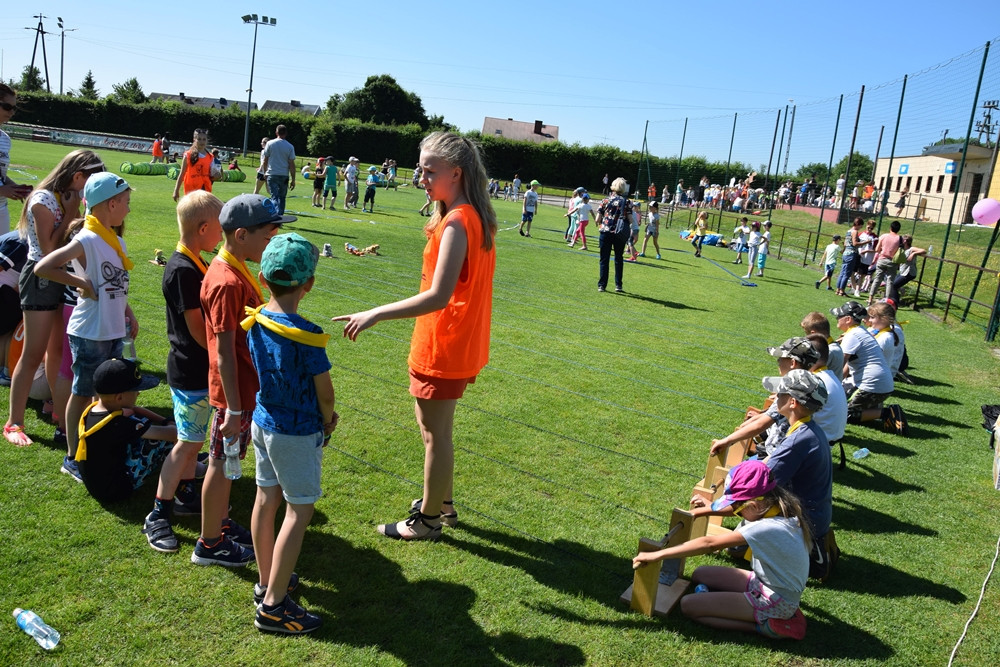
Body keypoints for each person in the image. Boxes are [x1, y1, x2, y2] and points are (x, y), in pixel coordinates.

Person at [334, 131, 497, 541]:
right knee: (437, 432)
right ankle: (443, 504)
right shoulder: (465, 215)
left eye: (429, 171)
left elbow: (438, 295)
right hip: (452, 341)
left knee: (434, 435)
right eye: (420, 170)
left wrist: (375, 313)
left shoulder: (458, 221)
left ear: (456, 173)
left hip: (444, 344)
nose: (420, 178)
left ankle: (427, 520)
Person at [245, 233, 336, 634]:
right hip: (295, 433)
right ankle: (273, 606)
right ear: (309, 284)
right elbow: (325, 393)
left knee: (266, 499)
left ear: (262, 278)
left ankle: (267, 580)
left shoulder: (256, 319)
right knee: (299, 511)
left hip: (262, 422)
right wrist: (328, 418)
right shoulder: (307, 334)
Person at [193, 194, 291, 567]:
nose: (272, 242)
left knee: (228, 460)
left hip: (244, 389)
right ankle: (209, 544)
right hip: (233, 394)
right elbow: (223, 352)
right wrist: (233, 409)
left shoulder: (236, 270)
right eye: (268, 236)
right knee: (221, 462)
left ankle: (219, 524)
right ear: (241, 235)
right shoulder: (225, 281)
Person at [34, 172, 138, 482]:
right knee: (82, 392)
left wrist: (129, 313)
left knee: (105, 394)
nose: (129, 209)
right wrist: (80, 283)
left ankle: (94, 445)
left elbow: (115, 283)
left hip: (111, 328)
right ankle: (72, 457)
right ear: (111, 204)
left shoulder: (116, 240)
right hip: (90, 331)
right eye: (126, 202)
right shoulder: (87, 239)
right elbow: (44, 266)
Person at [633, 459, 810, 640]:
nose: (735, 512)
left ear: (753, 505)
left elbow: (710, 543)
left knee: (689, 606)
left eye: (738, 509)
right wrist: (704, 510)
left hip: (776, 600)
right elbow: (739, 508)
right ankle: (740, 607)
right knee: (700, 573)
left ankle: (767, 627)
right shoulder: (775, 506)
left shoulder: (765, 528)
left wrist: (658, 554)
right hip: (765, 582)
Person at [142, 191, 224, 554]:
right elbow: (196, 328)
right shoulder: (182, 270)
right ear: (203, 229)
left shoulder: (195, 262)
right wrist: (222, 357)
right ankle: (158, 513)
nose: (223, 234)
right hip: (191, 370)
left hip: (198, 369)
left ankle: (187, 492)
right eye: (220, 227)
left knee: (194, 439)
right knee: (187, 442)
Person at [4, 149, 104, 448]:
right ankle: (14, 422)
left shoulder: (69, 196)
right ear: (78, 176)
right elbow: (48, 251)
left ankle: (58, 409)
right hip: (40, 280)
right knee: (33, 353)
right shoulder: (42, 200)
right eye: (91, 180)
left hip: (62, 279)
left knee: (57, 352)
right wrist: (72, 214)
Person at [75, 358, 173, 503]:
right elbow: (173, 435)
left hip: (100, 486)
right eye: (135, 390)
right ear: (119, 397)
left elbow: (133, 409)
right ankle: (189, 470)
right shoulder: (119, 424)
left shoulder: (93, 410)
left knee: (138, 424)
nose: (138, 393)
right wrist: (172, 426)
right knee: (163, 442)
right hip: (119, 491)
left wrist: (164, 420)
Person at [831, 301, 903, 434]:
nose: (837, 319)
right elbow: (846, 366)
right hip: (881, 384)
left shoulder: (853, 335)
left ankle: (887, 413)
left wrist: (831, 385)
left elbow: (841, 364)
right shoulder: (860, 331)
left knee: (843, 415)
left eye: (839, 316)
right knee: (840, 402)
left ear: (848, 319)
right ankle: (873, 409)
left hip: (872, 385)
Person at [0, 84, 33, 236]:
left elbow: (1, 175)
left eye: (14, 108)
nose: (12, 112)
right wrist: (2, 190)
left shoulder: (5, 140)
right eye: (7, 107)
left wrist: (16, 188)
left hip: (2, 209)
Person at [595, 177, 636, 293]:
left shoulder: (605, 200)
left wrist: (604, 220)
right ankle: (618, 285)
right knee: (618, 258)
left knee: (604, 259)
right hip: (619, 233)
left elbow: (598, 219)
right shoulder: (626, 202)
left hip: (605, 232)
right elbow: (631, 219)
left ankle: (602, 285)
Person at [172, 129, 218, 201]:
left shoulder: (210, 157)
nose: (202, 142)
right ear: (194, 140)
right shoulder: (188, 155)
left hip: (205, 190)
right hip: (191, 191)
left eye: (204, 139)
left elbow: (212, 175)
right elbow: (182, 173)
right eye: (199, 139)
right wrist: (176, 190)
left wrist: (217, 176)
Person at [260, 125, 296, 216]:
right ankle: (280, 216)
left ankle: (275, 215)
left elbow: (265, 160)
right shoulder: (290, 146)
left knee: (274, 197)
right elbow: (291, 164)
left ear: (276, 133)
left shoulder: (270, 143)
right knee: (282, 197)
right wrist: (293, 179)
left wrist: (265, 172)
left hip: (272, 173)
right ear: (286, 133)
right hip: (284, 175)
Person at [800, 311, 844, 383]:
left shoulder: (828, 351)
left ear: (813, 333)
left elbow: (808, 373)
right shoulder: (834, 346)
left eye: (806, 333)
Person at [868, 220, 903, 305]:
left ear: (890, 228)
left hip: (882, 259)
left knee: (877, 279)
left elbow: (877, 249)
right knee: (890, 281)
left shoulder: (884, 236)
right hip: (892, 261)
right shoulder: (900, 238)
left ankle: (870, 298)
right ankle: (887, 300)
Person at [887, 235, 926, 305]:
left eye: (902, 239)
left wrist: (913, 253)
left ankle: (895, 303)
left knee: (894, 285)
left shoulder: (911, 249)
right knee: (892, 283)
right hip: (902, 271)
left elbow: (924, 251)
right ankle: (898, 293)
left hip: (908, 272)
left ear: (905, 241)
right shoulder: (902, 248)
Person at [836, 218, 863, 297]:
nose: (860, 228)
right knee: (847, 273)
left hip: (845, 253)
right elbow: (855, 243)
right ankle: (842, 291)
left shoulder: (848, 231)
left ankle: (838, 290)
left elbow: (845, 244)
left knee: (842, 273)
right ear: (858, 224)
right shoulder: (855, 231)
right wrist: (865, 242)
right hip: (851, 253)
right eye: (860, 226)